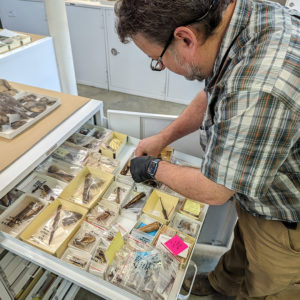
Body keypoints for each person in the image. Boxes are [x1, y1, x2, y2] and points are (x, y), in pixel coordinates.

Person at [114, 0, 300, 299]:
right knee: (241, 251)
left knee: (267, 288)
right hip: (259, 200)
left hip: (288, 219)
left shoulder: (259, 86)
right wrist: (164, 137)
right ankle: (219, 286)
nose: (161, 66)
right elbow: (216, 90)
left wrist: (153, 168)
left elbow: (215, 189)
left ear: (185, 38)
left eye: (157, 59)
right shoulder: (238, 19)